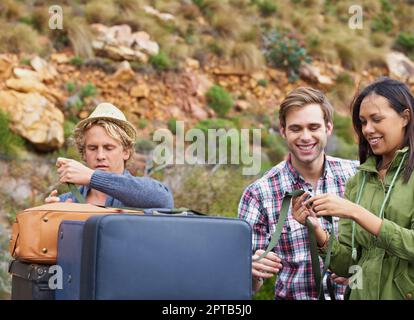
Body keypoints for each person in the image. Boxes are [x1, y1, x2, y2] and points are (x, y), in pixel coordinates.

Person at [293, 77, 414, 300]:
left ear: (405, 117)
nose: (367, 129)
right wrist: (318, 231)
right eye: (362, 121)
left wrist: (355, 212)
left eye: (376, 119)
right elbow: (347, 265)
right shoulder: (358, 181)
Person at [238, 87, 358, 300]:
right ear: (283, 131)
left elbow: (384, 252)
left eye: (313, 127)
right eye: (295, 128)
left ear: (328, 128)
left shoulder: (356, 178)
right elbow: (245, 287)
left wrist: (360, 269)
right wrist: (252, 270)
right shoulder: (259, 194)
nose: (305, 137)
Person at [45, 102, 174, 209]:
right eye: (92, 148)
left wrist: (92, 177)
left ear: (126, 152)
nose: (100, 155)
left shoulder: (139, 195)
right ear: (84, 153)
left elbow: (164, 199)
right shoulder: (66, 201)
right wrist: (52, 218)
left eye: (108, 148)